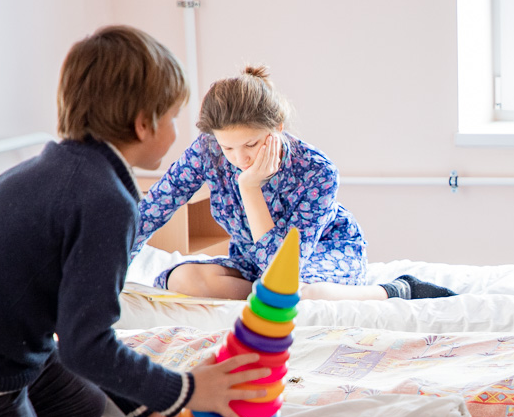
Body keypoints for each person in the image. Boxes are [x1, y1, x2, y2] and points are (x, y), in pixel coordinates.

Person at [0, 26, 269, 417]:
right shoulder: (106, 202)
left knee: (88, 406)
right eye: (172, 118)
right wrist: (186, 390)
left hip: (8, 340)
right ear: (143, 124)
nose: (177, 132)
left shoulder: (63, 167)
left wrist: (152, 409)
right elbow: (86, 347)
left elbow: (73, 326)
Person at [132, 66, 455, 302]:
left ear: (278, 127)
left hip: (319, 252)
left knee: (294, 292)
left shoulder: (317, 171)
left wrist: (250, 188)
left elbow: (280, 267)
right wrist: (112, 266)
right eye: (228, 147)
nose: (239, 158)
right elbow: (154, 208)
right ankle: (265, 296)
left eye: (251, 144)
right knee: (184, 279)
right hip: (251, 257)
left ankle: (395, 290)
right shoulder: (208, 150)